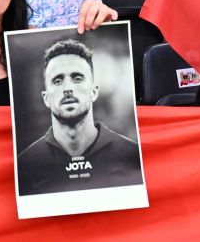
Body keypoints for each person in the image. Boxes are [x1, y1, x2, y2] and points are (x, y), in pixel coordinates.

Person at [15, 37, 142, 194]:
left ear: (94, 92)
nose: (67, 88)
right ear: (46, 98)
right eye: (58, 80)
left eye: (77, 78)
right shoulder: (24, 165)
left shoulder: (132, 154)